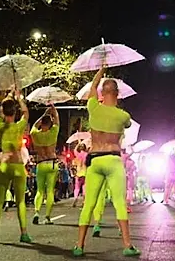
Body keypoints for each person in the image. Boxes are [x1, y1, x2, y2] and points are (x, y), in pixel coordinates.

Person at [73, 67, 140, 257]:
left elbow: (93, 85)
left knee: (89, 204)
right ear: (117, 93)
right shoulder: (123, 116)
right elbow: (126, 126)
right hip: (113, 159)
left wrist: (101, 70)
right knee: (119, 202)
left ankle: (79, 245)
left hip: (95, 161)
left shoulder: (93, 107)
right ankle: (127, 245)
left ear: (102, 93)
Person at [0, 90, 32, 243]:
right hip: (18, 166)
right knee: (20, 201)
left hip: (4, 165)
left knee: (0, 201)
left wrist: (6, 97)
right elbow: (26, 113)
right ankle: (24, 233)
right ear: (15, 112)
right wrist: (19, 97)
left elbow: (0, 113)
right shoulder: (20, 126)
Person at [31, 104, 60, 225]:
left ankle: (37, 211)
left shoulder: (35, 134)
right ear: (50, 124)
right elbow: (57, 120)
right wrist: (53, 111)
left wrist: (44, 114)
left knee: (39, 191)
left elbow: (34, 126)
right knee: (50, 191)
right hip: (52, 163)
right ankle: (47, 216)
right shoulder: (53, 132)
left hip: (41, 164)